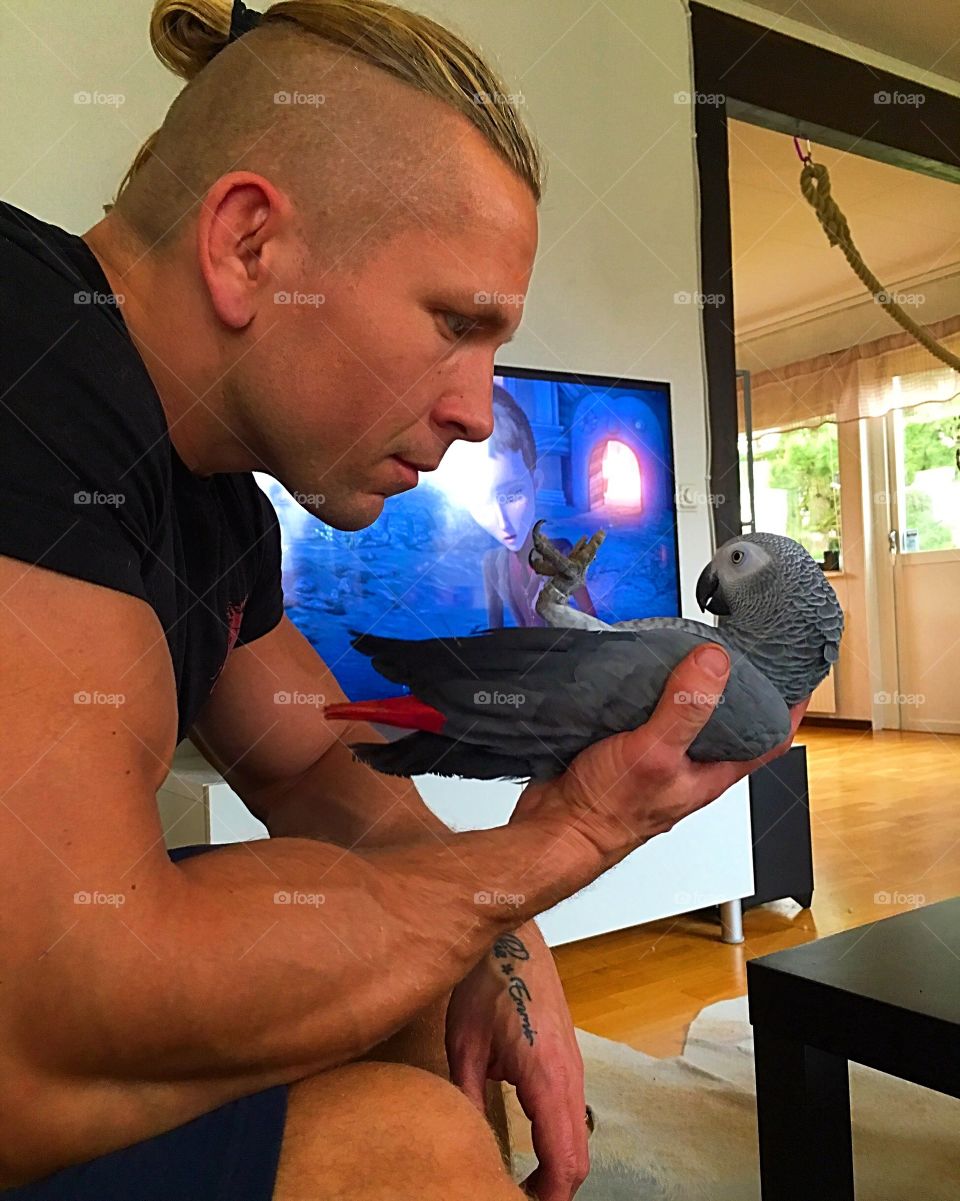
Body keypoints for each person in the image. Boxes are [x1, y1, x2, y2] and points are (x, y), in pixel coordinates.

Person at [0, 2, 808, 1200]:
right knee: (405, 1140)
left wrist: (502, 937)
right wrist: (566, 839)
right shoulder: (30, 346)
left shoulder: (219, 507)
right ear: (248, 247)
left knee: (421, 982)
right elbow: (59, 1016)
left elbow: (324, 778)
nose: (482, 409)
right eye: (456, 324)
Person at [464, 385, 598, 628]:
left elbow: (596, 627)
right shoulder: (492, 565)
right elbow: (496, 634)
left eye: (514, 494)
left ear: (536, 483)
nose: (503, 521)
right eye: (483, 501)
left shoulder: (563, 553)